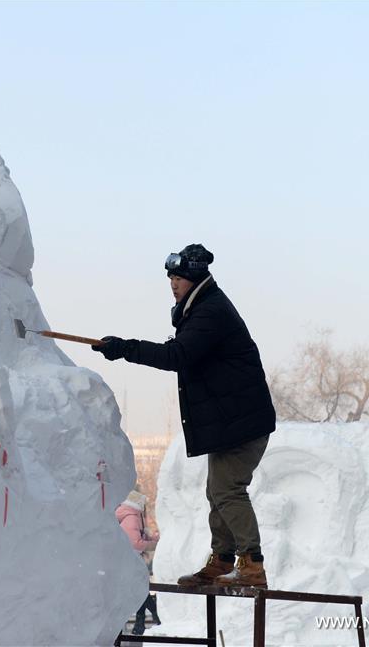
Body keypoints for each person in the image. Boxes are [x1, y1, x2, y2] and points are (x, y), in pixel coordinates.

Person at [95, 244, 275, 588]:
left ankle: (252, 566)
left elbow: (178, 355)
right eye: (171, 278)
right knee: (217, 490)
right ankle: (222, 559)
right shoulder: (200, 308)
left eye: (178, 278)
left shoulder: (211, 312)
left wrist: (125, 348)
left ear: (195, 279)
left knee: (228, 490)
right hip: (232, 423)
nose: (173, 284)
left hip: (243, 423)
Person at [116, 490, 161, 635]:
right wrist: (151, 545)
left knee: (140, 590)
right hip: (130, 562)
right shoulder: (132, 517)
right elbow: (135, 543)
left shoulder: (128, 515)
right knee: (140, 591)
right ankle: (154, 617)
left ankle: (141, 623)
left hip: (127, 561)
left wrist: (152, 540)